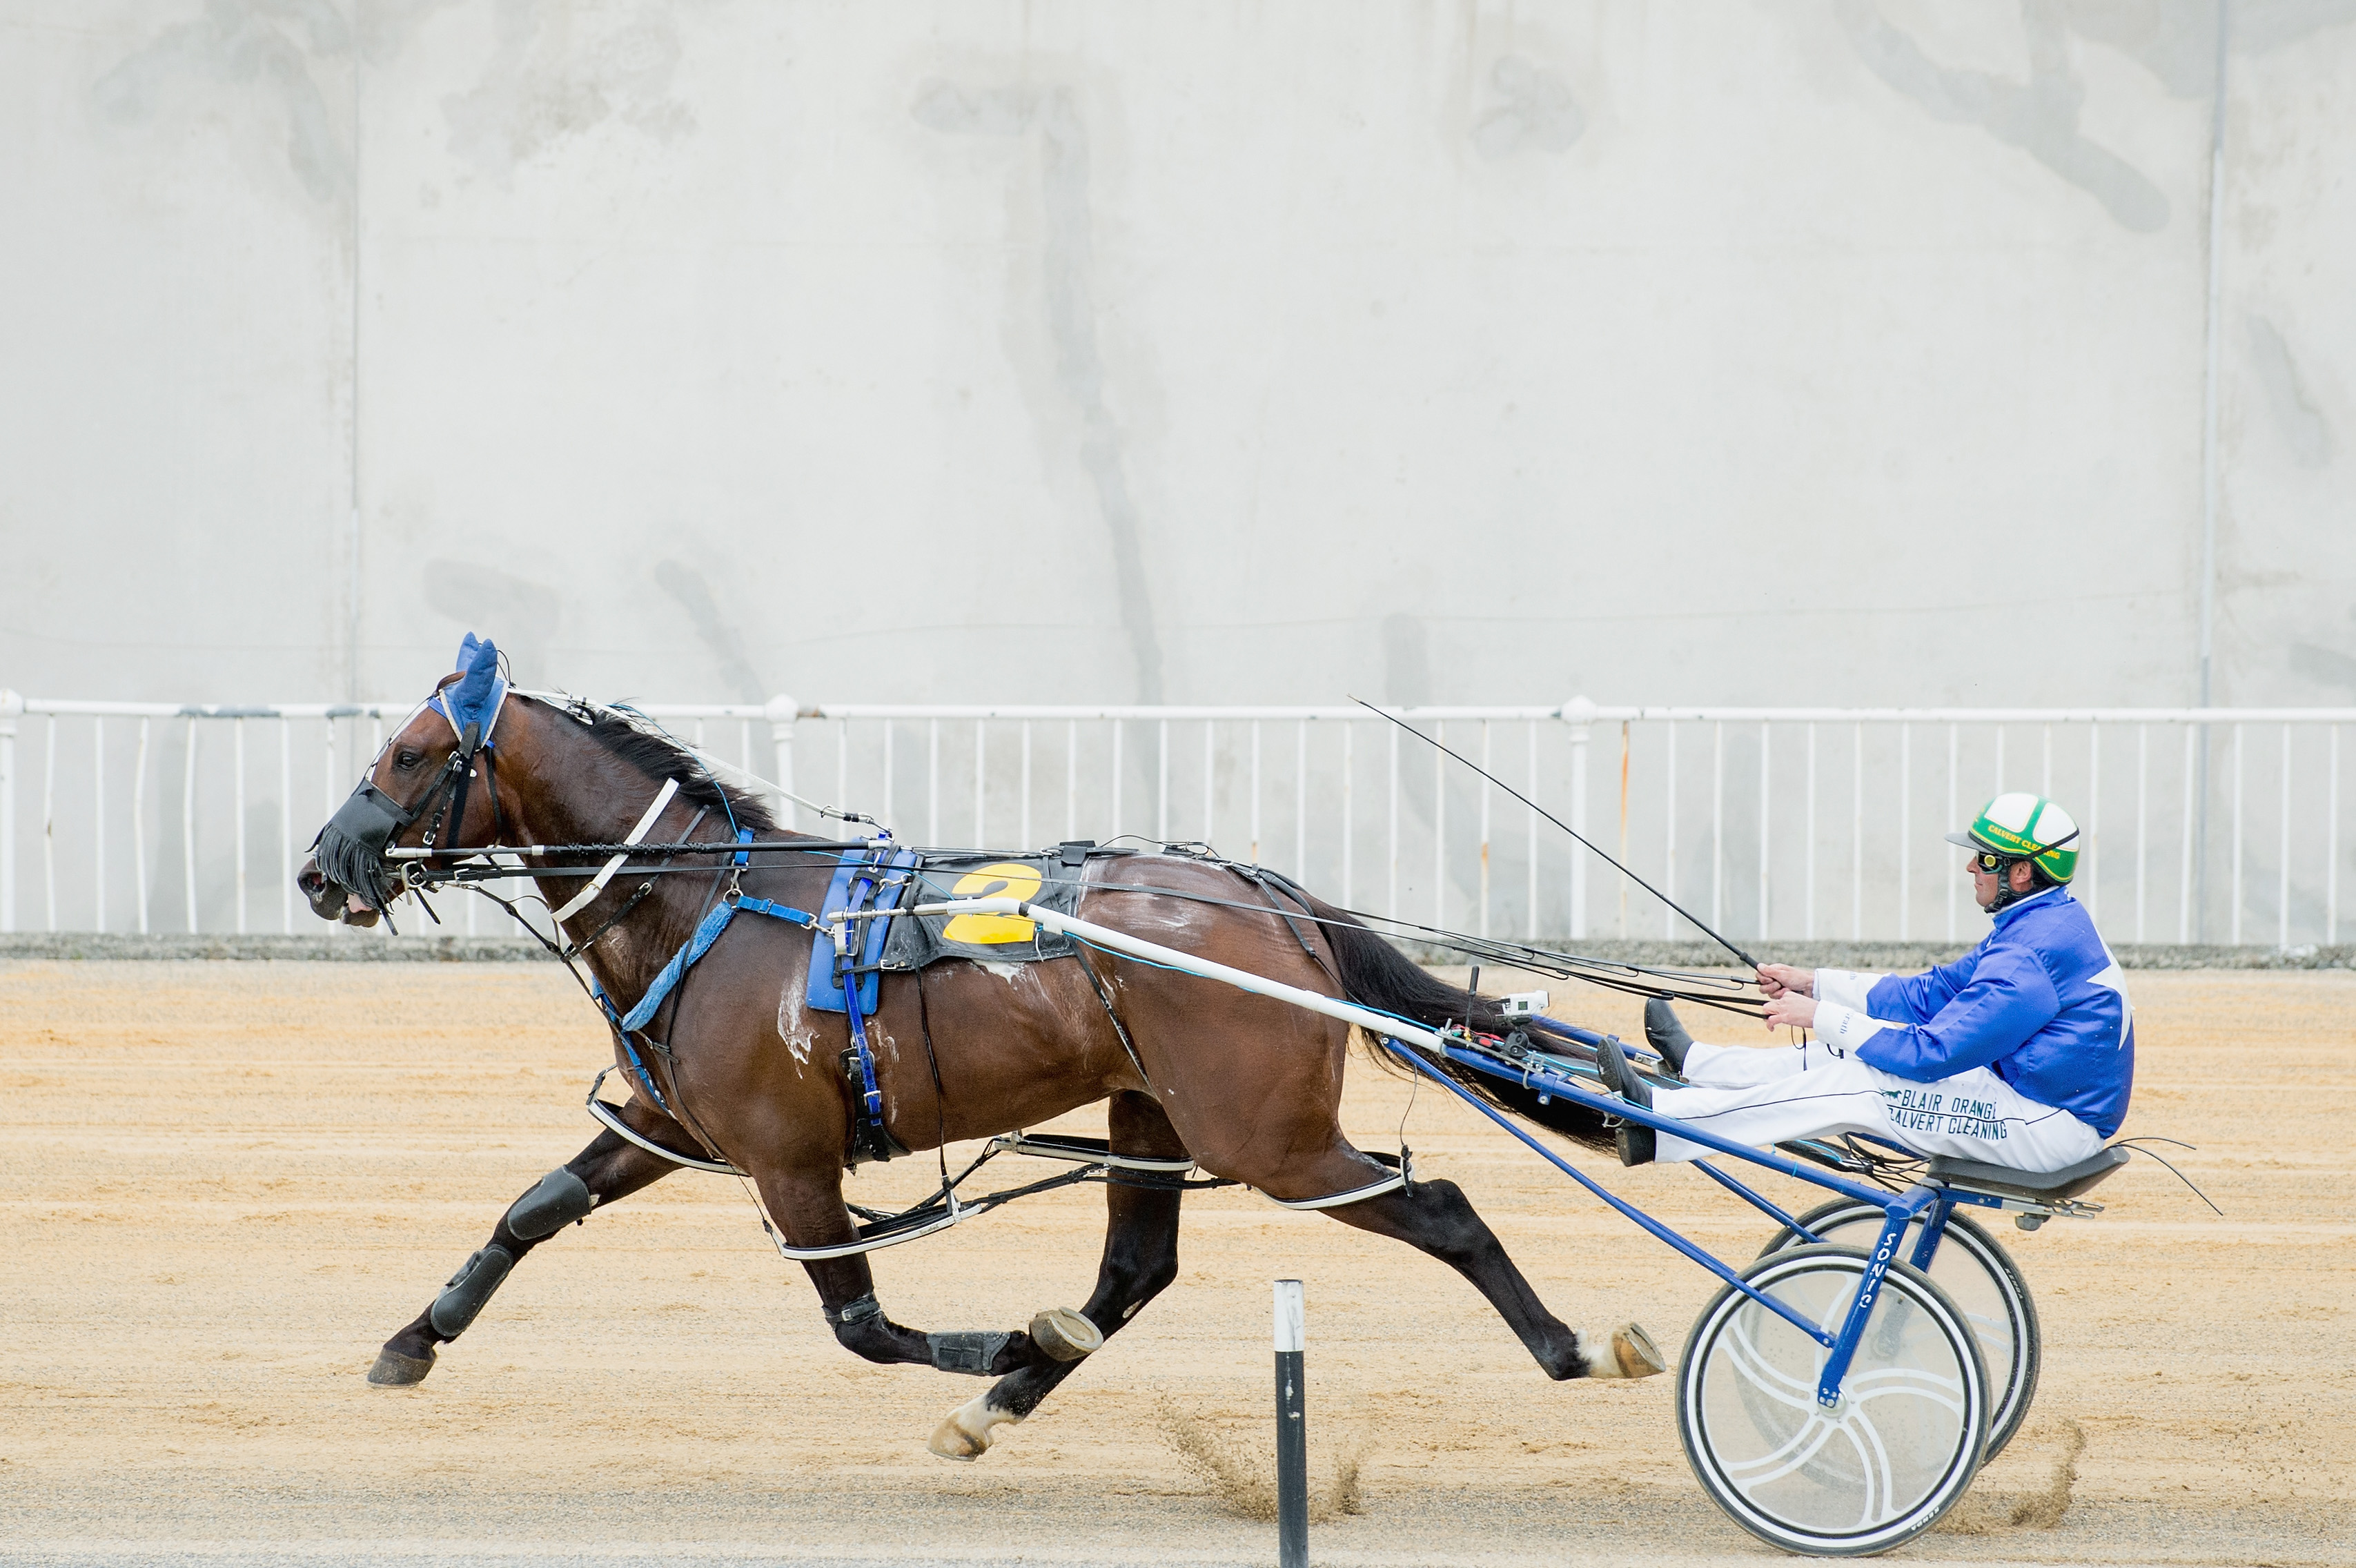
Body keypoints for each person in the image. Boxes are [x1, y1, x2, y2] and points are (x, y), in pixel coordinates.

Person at [1597, 792, 2133, 1172]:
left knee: (1859, 1084)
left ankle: (1664, 1123)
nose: (1971, 866)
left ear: (2021, 874)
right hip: (2032, 1101)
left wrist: (1821, 1018)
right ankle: (1699, 1068)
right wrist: (1816, 986)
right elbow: (1929, 996)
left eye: (1984, 857)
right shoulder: (2038, 925)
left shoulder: (2030, 956)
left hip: (2050, 1127)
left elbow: (1934, 1052)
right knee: (1843, 1059)